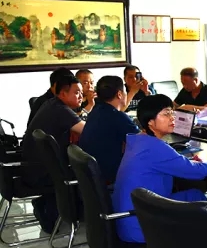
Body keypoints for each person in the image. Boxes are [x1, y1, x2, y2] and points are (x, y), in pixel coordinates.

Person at [112, 95, 207, 243]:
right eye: (166, 113)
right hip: (141, 225)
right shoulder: (154, 147)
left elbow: (161, 163)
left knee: (194, 195)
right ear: (150, 121)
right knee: (200, 201)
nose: (172, 117)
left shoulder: (138, 141)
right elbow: (197, 172)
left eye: (172, 112)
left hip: (128, 218)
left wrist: (188, 163)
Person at [22, 75, 85, 233]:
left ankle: (47, 206)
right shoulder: (61, 110)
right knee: (87, 172)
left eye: (81, 92)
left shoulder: (52, 103)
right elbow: (88, 130)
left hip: (33, 166)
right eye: (76, 92)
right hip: (42, 173)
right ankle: (85, 215)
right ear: (63, 93)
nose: (81, 96)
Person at [78, 76, 140, 184]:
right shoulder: (116, 116)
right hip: (111, 177)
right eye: (125, 91)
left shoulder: (95, 111)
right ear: (119, 94)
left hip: (93, 177)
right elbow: (142, 141)